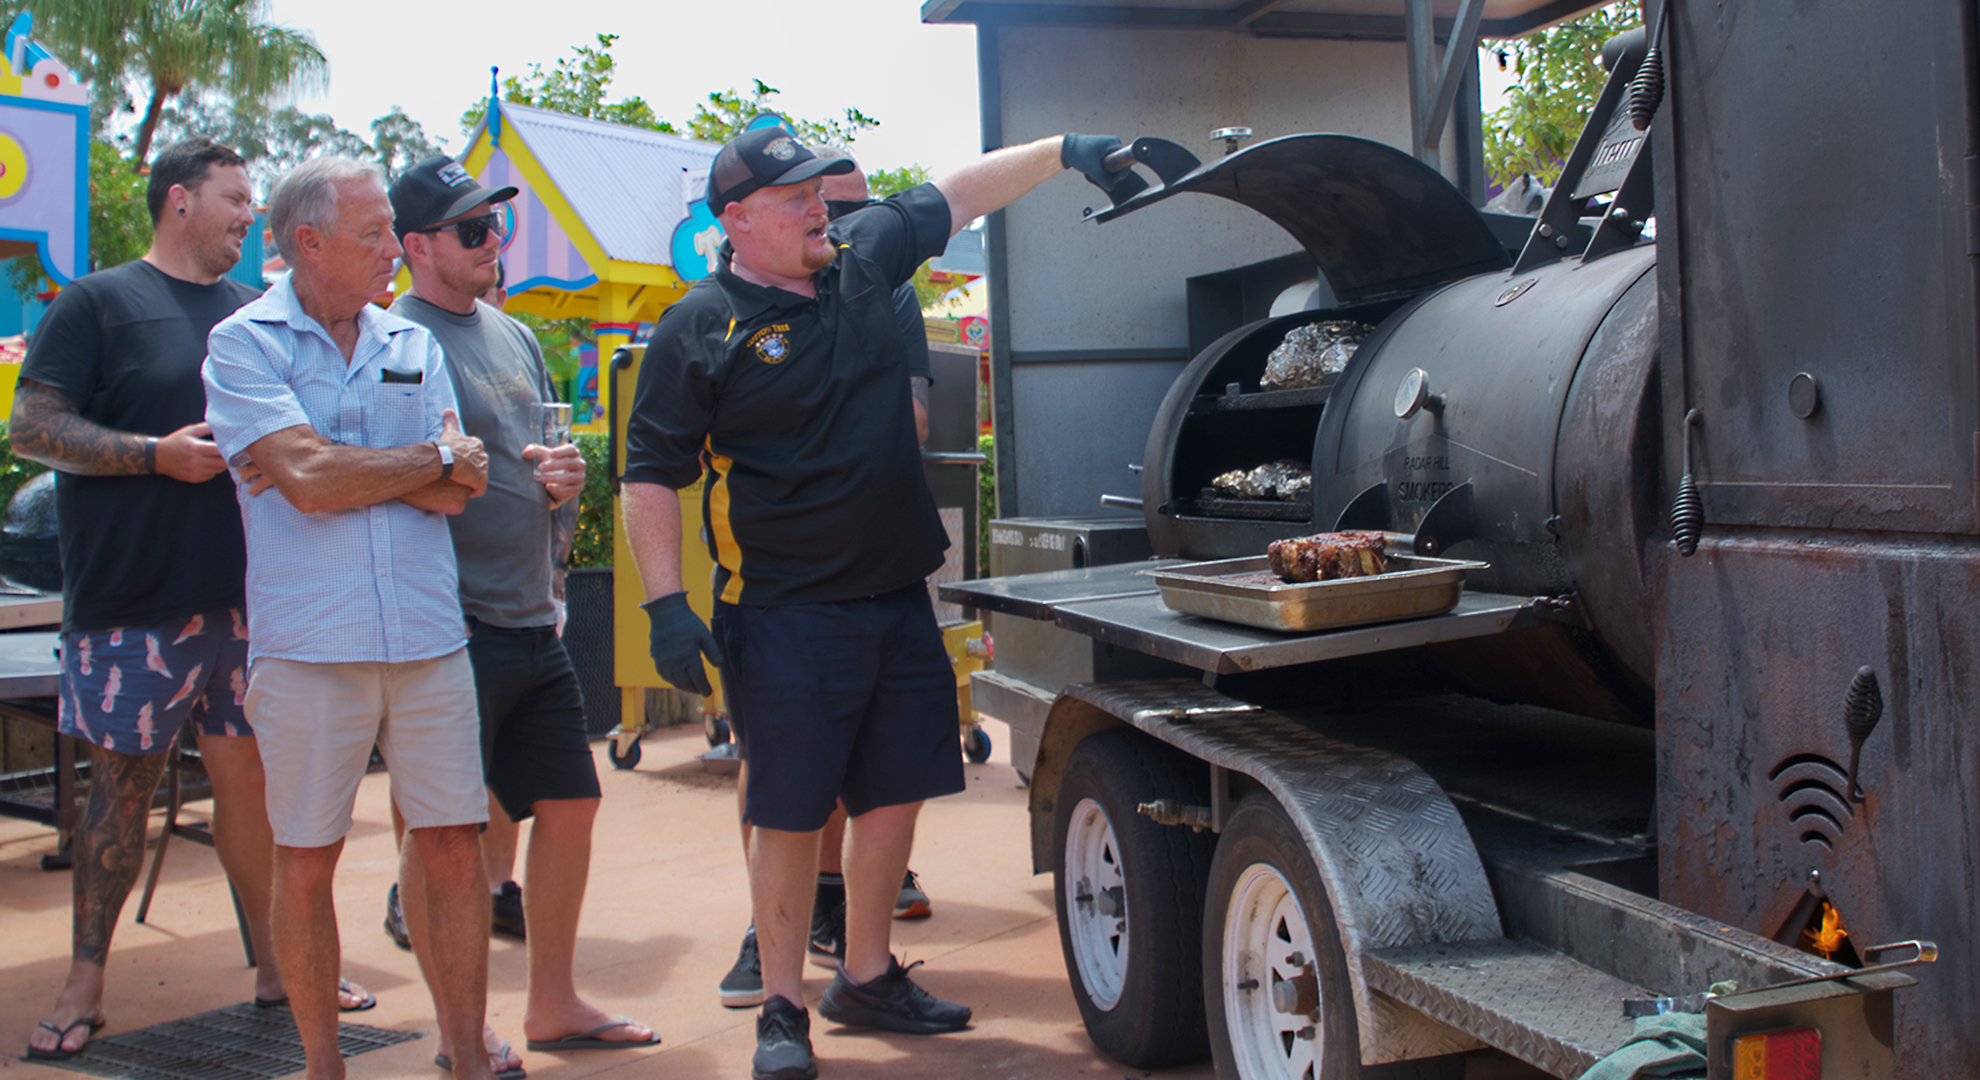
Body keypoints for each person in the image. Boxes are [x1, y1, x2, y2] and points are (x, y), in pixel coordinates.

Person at [622, 125, 1134, 1080]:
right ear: (734, 220)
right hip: (781, 609)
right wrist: (662, 604)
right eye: (794, 198)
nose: (820, 207)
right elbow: (649, 474)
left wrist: (1068, 150)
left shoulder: (865, 261)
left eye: (821, 190)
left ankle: (864, 973)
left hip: (897, 593)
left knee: (895, 791)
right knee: (787, 808)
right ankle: (782, 1006)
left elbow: (960, 193)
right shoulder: (700, 324)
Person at [15, 137, 372, 1063]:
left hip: (253, 603)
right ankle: (85, 981)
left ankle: (278, 965)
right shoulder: (97, 303)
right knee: (120, 788)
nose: (249, 214)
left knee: (258, 786)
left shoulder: (255, 314)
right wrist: (151, 455)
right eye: (234, 198)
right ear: (179, 200)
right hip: (133, 599)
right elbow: (33, 428)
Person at [201, 155, 495, 1080]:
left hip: (427, 637)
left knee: (453, 848)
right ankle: (324, 1066)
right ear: (306, 243)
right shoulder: (242, 343)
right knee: (307, 858)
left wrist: (340, 468)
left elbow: (462, 492)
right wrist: (422, 462)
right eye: (372, 235)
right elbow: (314, 482)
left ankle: (467, 1059)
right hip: (312, 645)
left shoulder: (410, 341)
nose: (392, 253)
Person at [387, 153, 660, 1059]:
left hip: (530, 618)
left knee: (572, 806)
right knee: (444, 842)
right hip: (445, 628)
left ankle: (553, 1003)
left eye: (495, 223)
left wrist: (565, 484)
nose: (493, 239)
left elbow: (534, 461)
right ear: (417, 247)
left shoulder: (511, 335)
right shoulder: (395, 344)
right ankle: (456, 1031)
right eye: (473, 229)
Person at [715, 146, 936, 1012]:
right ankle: (768, 928)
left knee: (882, 768)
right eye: (814, 206)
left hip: (879, 569)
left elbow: (914, 418)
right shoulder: (727, 311)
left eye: (843, 209)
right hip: (773, 581)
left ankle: (849, 933)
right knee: (781, 771)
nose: (832, 225)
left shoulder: (888, 293)